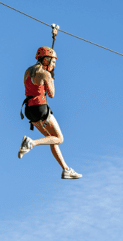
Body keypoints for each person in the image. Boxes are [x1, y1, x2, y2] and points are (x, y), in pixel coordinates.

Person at [18, 46, 81, 179]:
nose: (54, 64)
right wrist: (51, 78)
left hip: (29, 110)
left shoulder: (27, 72)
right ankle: (31, 143)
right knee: (59, 138)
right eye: (53, 62)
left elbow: (33, 86)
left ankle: (66, 169)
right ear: (46, 60)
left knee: (51, 139)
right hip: (41, 109)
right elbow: (51, 94)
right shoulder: (45, 74)